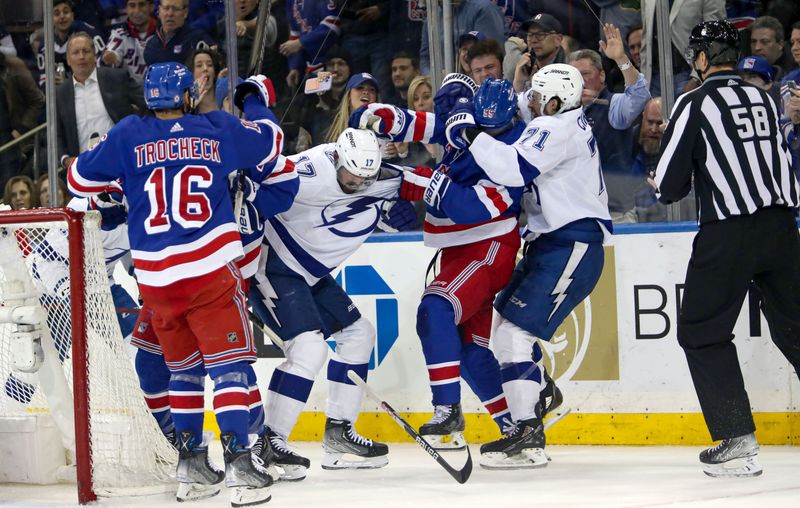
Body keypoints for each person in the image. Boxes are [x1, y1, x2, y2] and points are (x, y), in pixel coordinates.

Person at [67, 62, 283, 505]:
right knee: (229, 367)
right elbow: (271, 147)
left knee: (183, 370)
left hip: (156, 280)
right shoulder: (216, 127)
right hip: (208, 269)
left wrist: (122, 175)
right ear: (187, 95)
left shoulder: (127, 133)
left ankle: (193, 467)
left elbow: (78, 179)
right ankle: (241, 465)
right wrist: (255, 102)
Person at [435, 63, 611, 468]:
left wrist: (473, 134)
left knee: (512, 338)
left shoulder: (557, 129)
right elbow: (510, 108)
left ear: (553, 101)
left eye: (534, 97)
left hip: (573, 243)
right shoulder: (562, 116)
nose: (526, 103)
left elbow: (511, 169)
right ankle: (542, 393)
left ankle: (528, 436)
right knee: (500, 331)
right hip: (552, 243)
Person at [653, 20, 800, 478]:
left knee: (700, 329)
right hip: (782, 227)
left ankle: (737, 438)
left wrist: (664, 182)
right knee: (796, 328)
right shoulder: (760, 95)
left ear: (701, 58)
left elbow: (669, 185)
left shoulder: (693, 102)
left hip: (729, 233)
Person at [351, 77, 527, 450]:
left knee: (435, 310)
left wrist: (405, 178)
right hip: (460, 250)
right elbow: (432, 123)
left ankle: (447, 408)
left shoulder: (513, 153)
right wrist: (387, 117)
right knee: (468, 349)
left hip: (489, 246)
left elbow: (465, 206)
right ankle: (516, 430)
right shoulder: (472, 121)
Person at [249, 128, 417, 479]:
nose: (357, 185)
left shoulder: (378, 176)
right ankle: (269, 442)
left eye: (364, 180)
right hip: (274, 263)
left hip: (309, 272)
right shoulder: (308, 169)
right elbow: (255, 183)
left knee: (359, 334)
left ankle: (339, 433)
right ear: (337, 159)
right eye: (350, 178)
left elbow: (416, 183)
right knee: (309, 350)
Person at [57, 32, 147, 173]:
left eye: (86, 51)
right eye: (75, 53)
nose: (81, 56)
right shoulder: (60, 93)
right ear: (68, 59)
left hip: (122, 161)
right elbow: (55, 133)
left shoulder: (116, 78)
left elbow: (147, 102)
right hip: (83, 168)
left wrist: (144, 134)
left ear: (95, 55)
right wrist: (65, 159)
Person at [143, 0, 215, 66]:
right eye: (166, 8)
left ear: (185, 13)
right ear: (159, 11)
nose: (170, 14)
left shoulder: (198, 39)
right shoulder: (151, 46)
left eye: (175, 9)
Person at [102, 0, 157, 84]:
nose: (137, 11)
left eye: (141, 5)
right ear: (126, 9)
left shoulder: (164, 32)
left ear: (151, 7)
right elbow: (111, 54)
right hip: (130, 93)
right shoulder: (119, 34)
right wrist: (110, 57)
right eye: (132, 6)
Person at [324, 72, 379, 143]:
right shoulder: (329, 125)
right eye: (360, 87)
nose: (366, 92)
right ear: (349, 96)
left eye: (372, 89)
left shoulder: (386, 129)